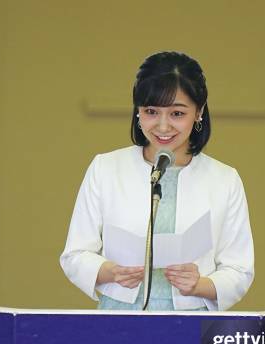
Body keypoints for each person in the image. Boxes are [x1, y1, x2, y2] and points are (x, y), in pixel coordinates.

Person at [60, 51, 254, 311]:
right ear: (138, 112)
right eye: (151, 111)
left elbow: (239, 270)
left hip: (192, 321)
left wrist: (200, 285)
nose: (163, 126)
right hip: (119, 318)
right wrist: (111, 272)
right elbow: (75, 255)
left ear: (199, 112)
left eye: (177, 113)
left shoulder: (224, 180)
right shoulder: (105, 168)